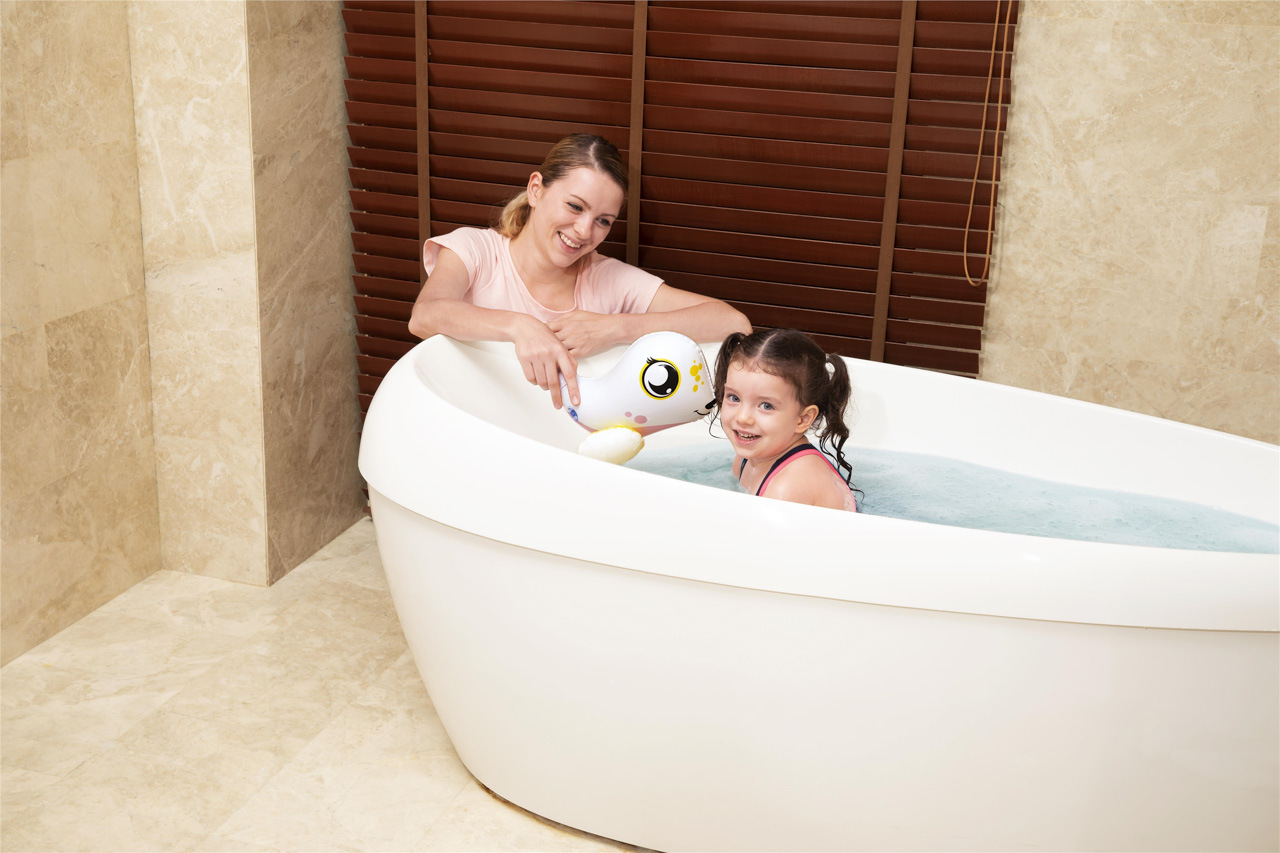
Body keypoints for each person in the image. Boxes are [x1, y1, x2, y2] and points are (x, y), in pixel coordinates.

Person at [408, 133, 751, 409]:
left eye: (603, 221)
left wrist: (615, 328)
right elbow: (424, 316)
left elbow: (733, 323)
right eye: (575, 206)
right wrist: (520, 326)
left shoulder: (608, 279)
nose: (585, 231)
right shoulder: (475, 250)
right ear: (536, 189)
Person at [713, 328, 859, 512]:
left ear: (803, 419)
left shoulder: (788, 487)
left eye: (766, 406)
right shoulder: (745, 458)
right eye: (734, 398)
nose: (743, 418)